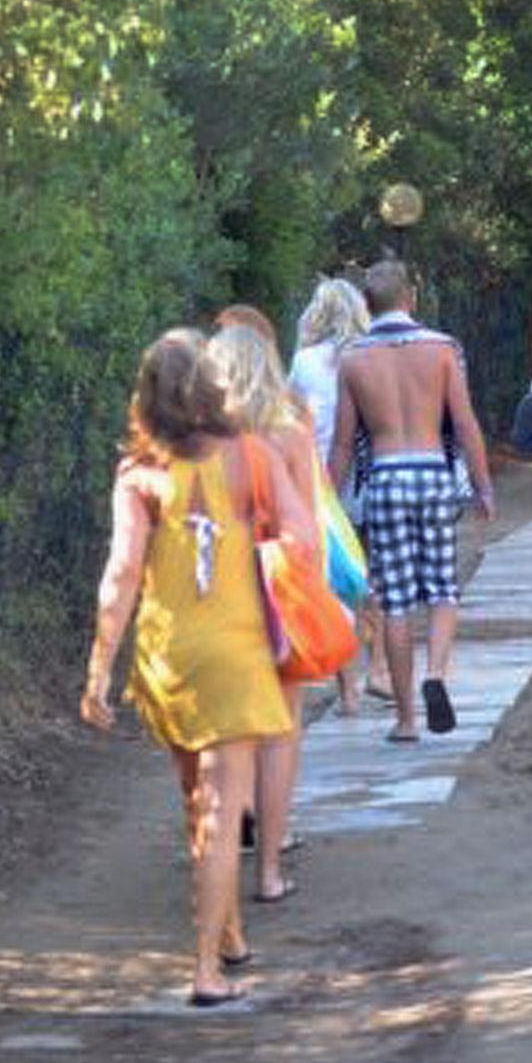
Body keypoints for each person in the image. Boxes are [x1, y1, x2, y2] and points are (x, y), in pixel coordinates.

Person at [79, 329, 310, 1007]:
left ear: (147, 397)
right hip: (235, 653)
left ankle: (230, 933)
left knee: (195, 801)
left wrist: (97, 670)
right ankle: (207, 967)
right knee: (219, 804)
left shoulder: (139, 475)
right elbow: (297, 535)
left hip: (166, 655)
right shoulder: (253, 456)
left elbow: (120, 576)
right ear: (211, 389)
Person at [330, 260, 494, 743]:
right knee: (442, 590)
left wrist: (325, 501)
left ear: (366, 306)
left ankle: (405, 720)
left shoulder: (353, 359)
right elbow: (464, 424)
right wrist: (483, 485)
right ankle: (436, 676)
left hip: (384, 477)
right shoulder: (442, 350)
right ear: (412, 299)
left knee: (396, 602)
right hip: (432, 472)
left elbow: (342, 443)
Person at [208, 312, 318, 907]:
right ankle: (269, 871)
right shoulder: (288, 433)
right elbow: (311, 527)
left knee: (223, 732)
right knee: (280, 732)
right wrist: (316, 599)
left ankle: (220, 857)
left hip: (214, 598)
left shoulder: (195, 442)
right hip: (277, 593)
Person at [286, 277, 387, 713]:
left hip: (321, 483)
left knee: (336, 579)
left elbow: (288, 417)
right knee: (375, 575)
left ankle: (348, 690)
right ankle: (380, 666)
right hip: (369, 477)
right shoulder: (373, 356)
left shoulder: (305, 362)